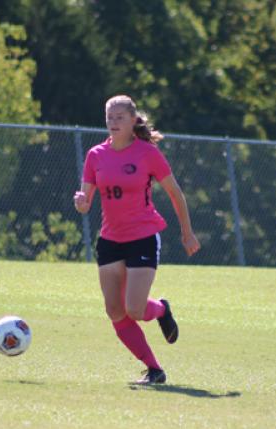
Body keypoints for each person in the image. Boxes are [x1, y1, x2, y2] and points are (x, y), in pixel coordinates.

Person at [74, 95, 200, 385]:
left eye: (120, 117)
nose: (114, 122)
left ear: (133, 121)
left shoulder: (147, 153)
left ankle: (161, 309)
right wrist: (80, 202)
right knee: (115, 310)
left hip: (142, 237)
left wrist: (187, 232)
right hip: (110, 240)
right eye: (110, 117)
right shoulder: (96, 155)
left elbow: (175, 192)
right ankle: (154, 369)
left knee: (135, 308)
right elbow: (85, 202)